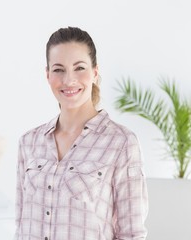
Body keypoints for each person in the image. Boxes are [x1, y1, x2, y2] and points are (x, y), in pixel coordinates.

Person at [15, 27, 148, 240]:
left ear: (95, 73)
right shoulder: (29, 142)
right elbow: (21, 226)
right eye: (58, 69)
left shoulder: (121, 143)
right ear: (47, 75)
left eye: (79, 68)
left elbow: (132, 234)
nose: (69, 80)